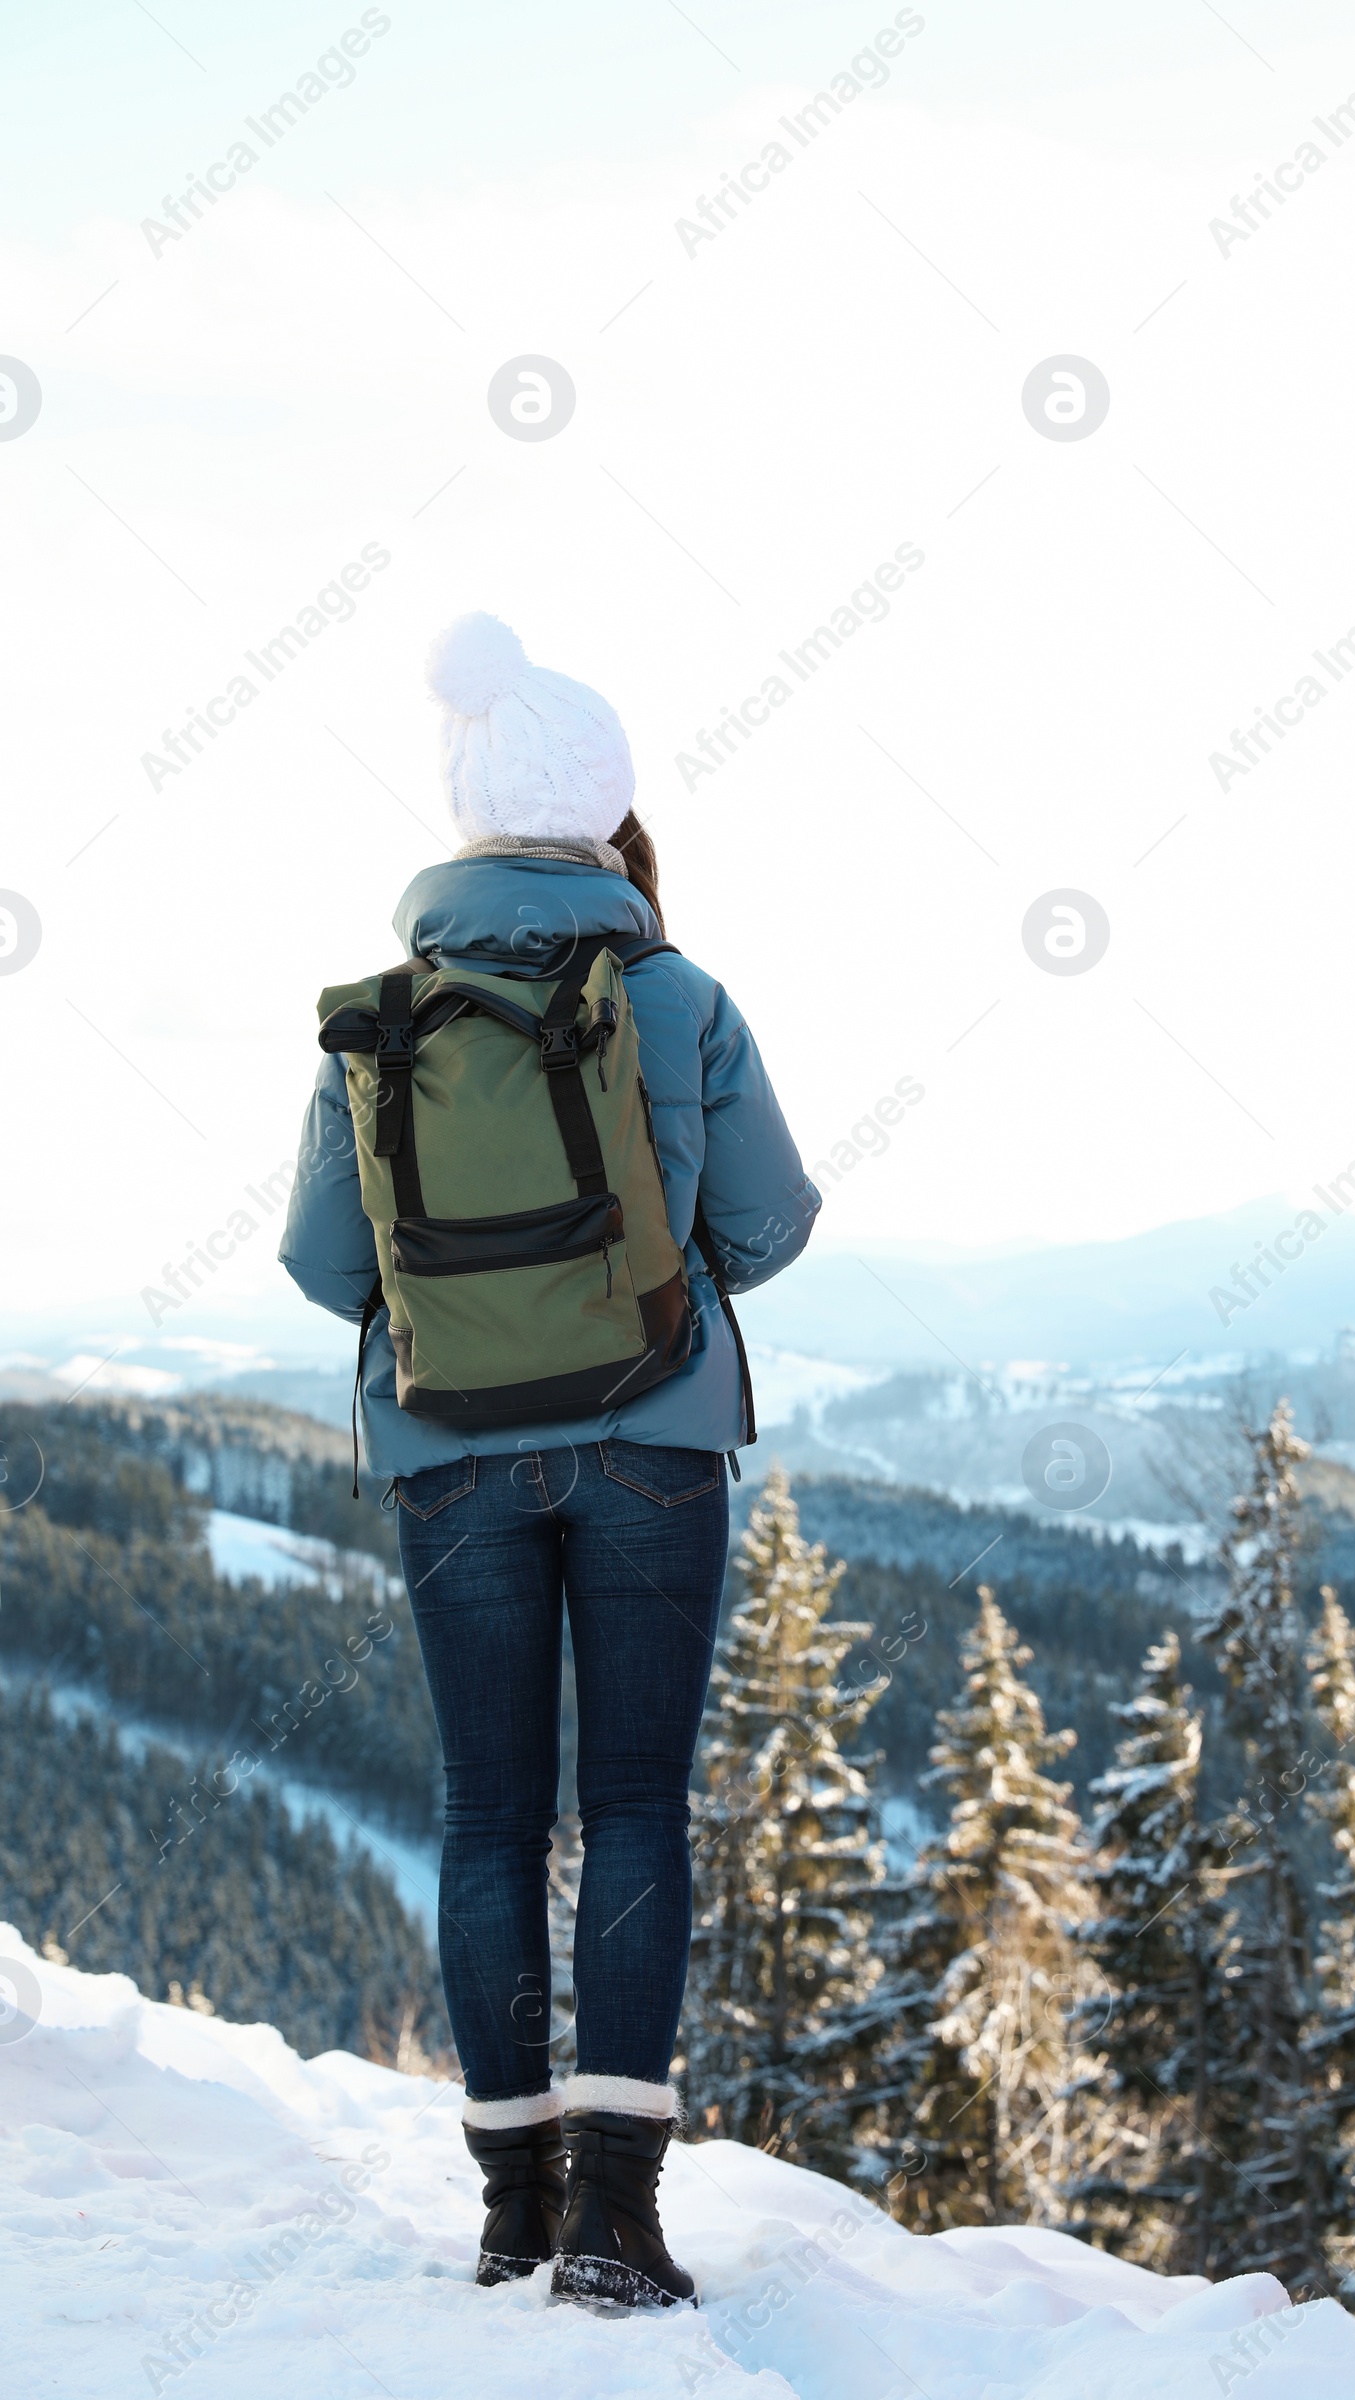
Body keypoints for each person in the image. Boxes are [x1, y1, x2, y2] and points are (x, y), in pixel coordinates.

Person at [280, 612, 819, 2307]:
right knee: (638, 1807)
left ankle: (512, 2208)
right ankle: (618, 2221)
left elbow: (320, 1264)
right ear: (608, 812)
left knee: (487, 1819)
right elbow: (773, 1221)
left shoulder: (379, 1017)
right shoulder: (676, 993)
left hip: (448, 1454)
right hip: (656, 1441)